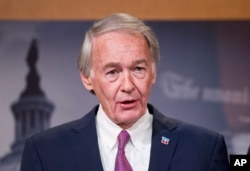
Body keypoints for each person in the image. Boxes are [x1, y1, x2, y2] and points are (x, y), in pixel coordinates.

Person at [20, 13, 230, 171]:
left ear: (153, 73)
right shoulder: (45, 153)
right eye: (113, 72)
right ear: (87, 78)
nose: (128, 85)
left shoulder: (204, 148)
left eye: (138, 69)